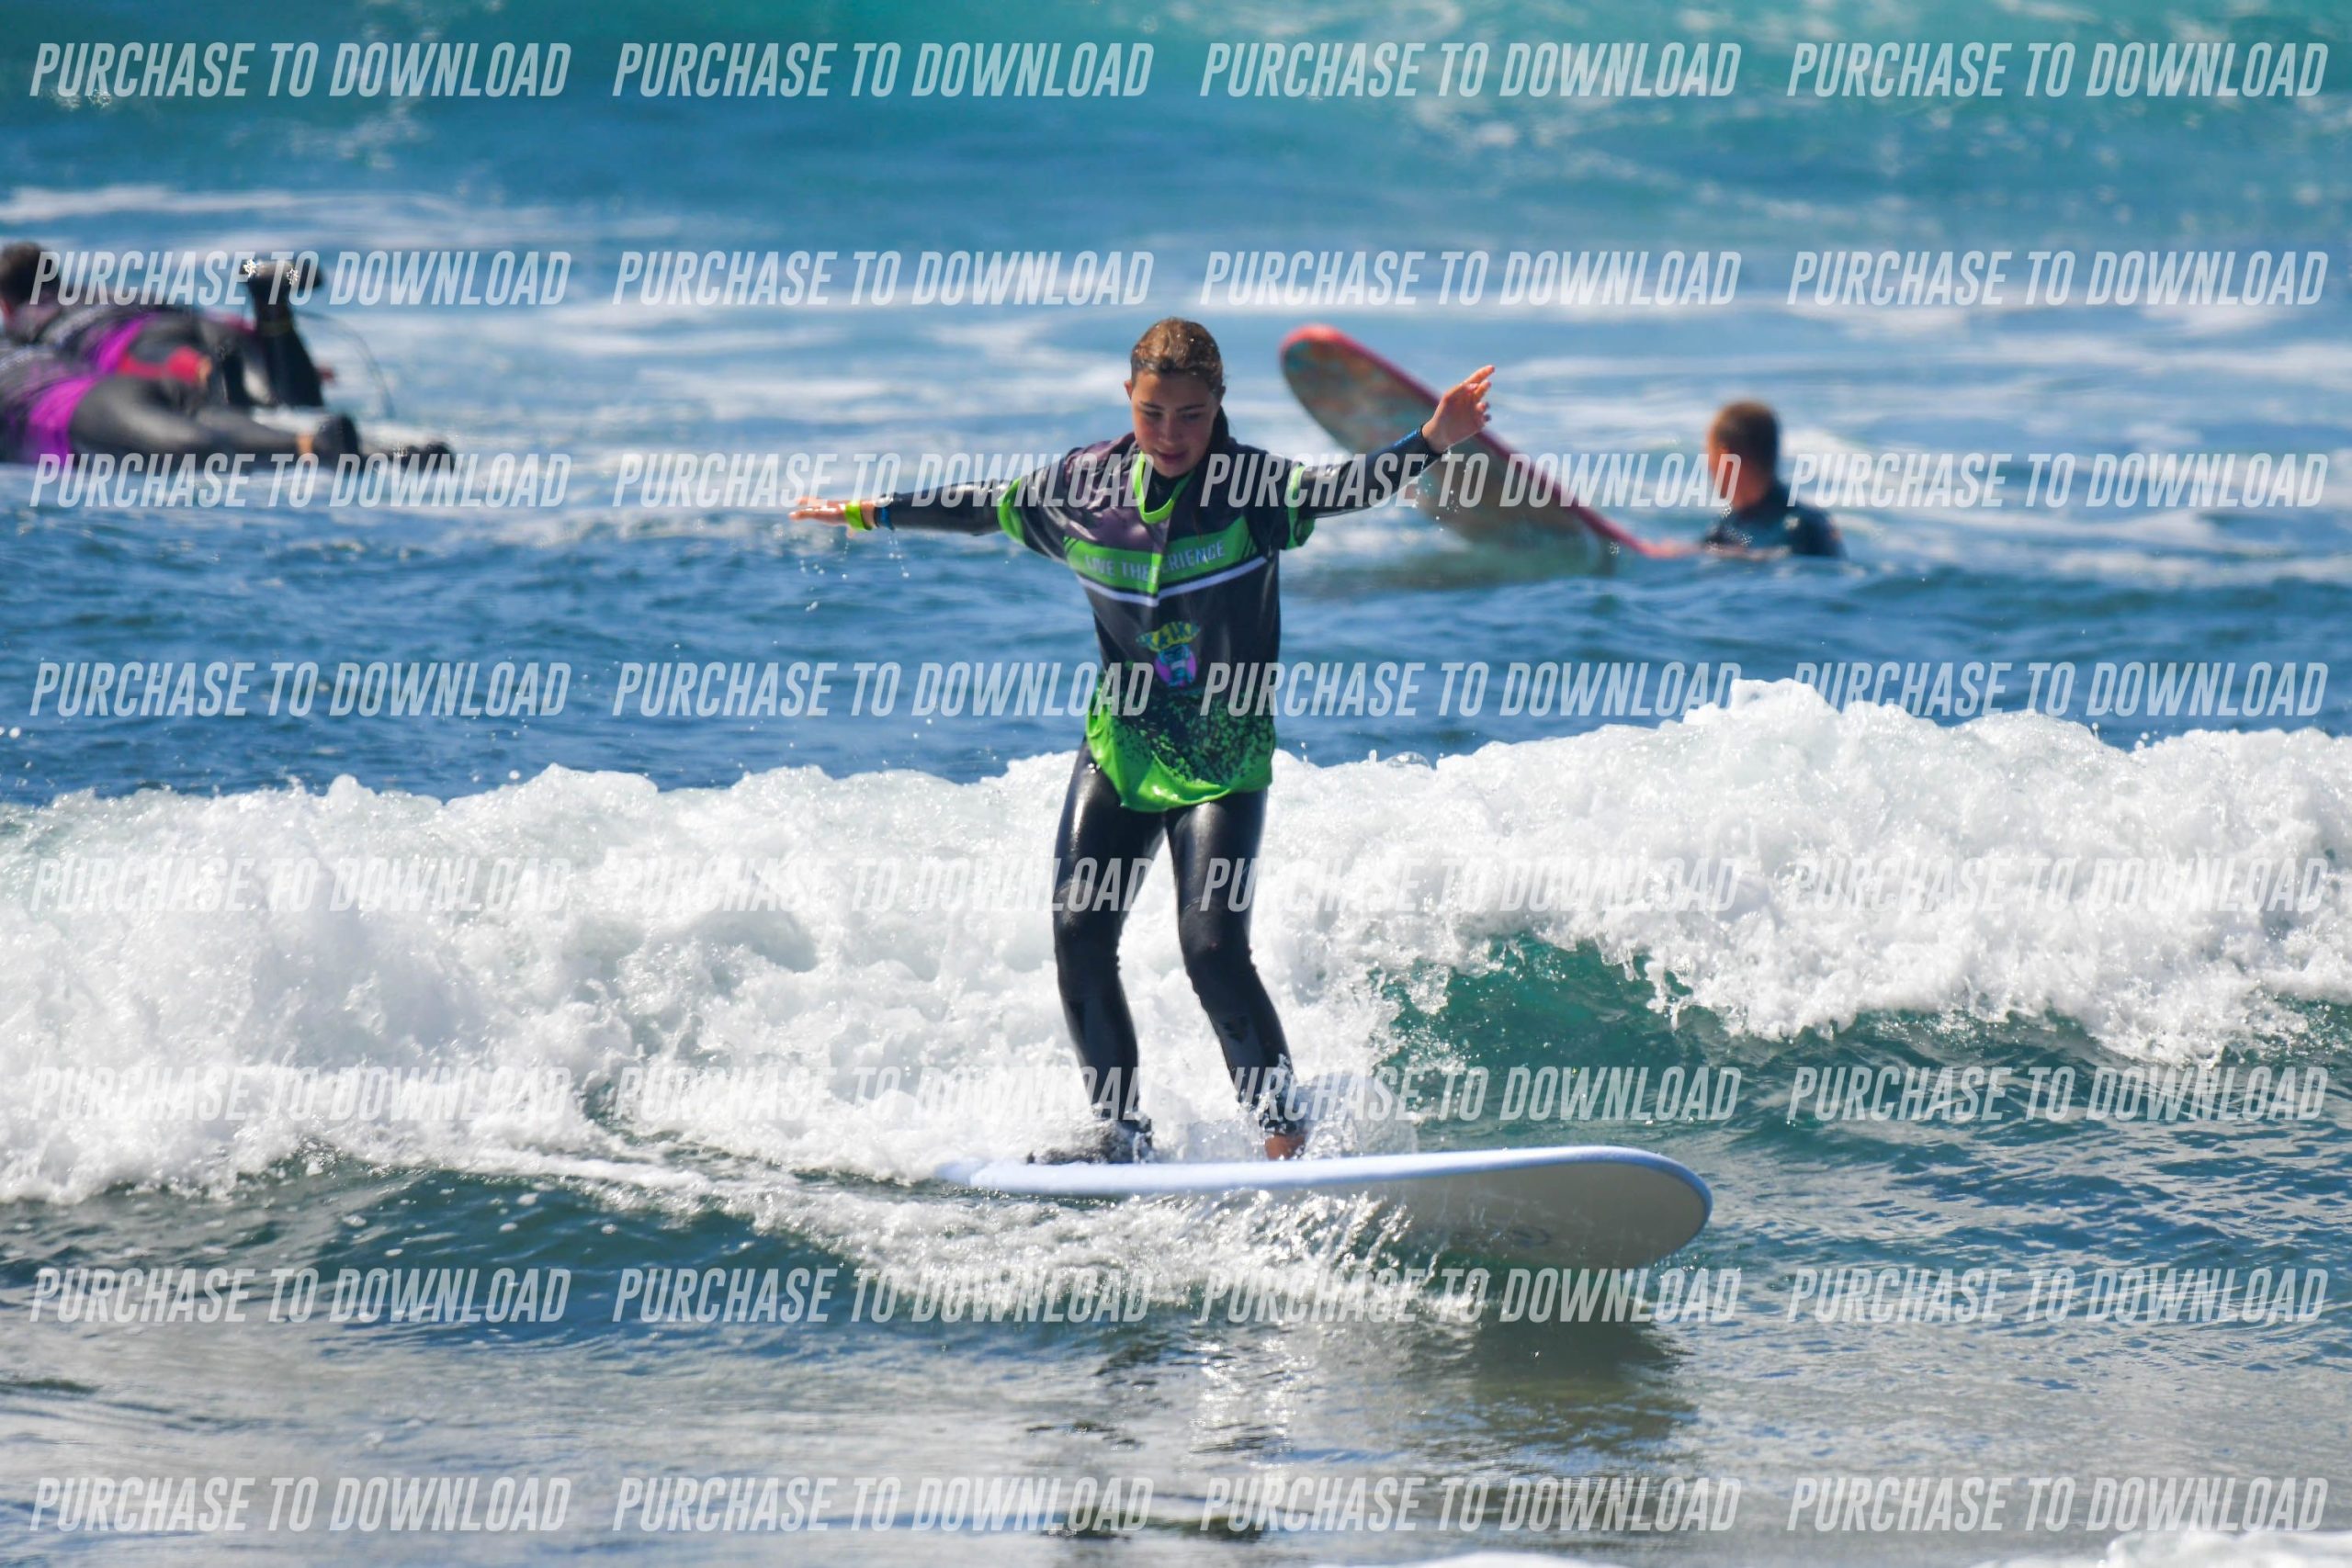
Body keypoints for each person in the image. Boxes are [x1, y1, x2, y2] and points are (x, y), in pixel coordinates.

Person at [794, 319, 1493, 1163]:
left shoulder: (1251, 490)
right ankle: (1119, 1133)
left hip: (1222, 760)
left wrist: (1430, 440)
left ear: (1219, 405)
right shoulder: (1083, 488)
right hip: (1122, 749)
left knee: (1213, 951)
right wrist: (872, 511)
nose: (1171, 434)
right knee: (1079, 935)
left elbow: (1341, 486)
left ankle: (1284, 1137)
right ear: (1128, 397)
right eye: (1153, 412)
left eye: (1191, 415)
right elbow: (983, 505)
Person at [1, 242, 328, 410]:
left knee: (240, 402)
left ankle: (213, 375)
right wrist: (265, 348)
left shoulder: (26, 322)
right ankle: (269, 303)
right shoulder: (103, 292)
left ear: (5, 304)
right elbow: (188, 311)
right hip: (198, 325)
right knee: (297, 403)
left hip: (139, 346)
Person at [0, 339, 355, 467]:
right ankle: (314, 444)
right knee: (214, 418)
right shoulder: (26, 346)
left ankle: (310, 449)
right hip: (125, 384)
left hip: (82, 410)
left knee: (198, 448)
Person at [1701, 400, 1843, 558]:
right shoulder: (1727, 524)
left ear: (1726, 459)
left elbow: (1787, 561)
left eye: (1709, 454)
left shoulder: (1805, 528)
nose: (1708, 465)